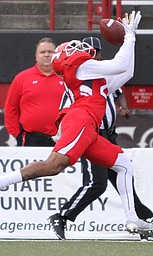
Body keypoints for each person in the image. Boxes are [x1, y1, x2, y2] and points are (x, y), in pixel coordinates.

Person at [0, 10, 153, 236]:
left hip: (89, 128)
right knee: (53, 166)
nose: (80, 48)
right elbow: (120, 65)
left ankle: (132, 220)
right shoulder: (80, 67)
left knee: (124, 166)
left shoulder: (92, 75)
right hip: (81, 121)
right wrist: (128, 37)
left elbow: (126, 71)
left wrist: (132, 37)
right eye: (75, 47)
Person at [48, 36, 153, 240]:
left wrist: (129, 42)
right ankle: (62, 216)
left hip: (107, 135)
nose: (94, 55)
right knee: (96, 184)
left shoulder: (101, 76)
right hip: (88, 135)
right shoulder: (77, 79)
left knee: (124, 176)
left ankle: (144, 220)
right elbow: (66, 111)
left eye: (97, 51)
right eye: (91, 52)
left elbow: (123, 76)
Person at [4, 37, 67, 147]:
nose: (46, 55)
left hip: (62, 138)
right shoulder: (22, 78)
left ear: (56, 54)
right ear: (36, 55)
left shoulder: (67, 78)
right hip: (30, 139)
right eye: (42, 52)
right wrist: (17, 134)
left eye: (50, 52)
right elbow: (10, 108)